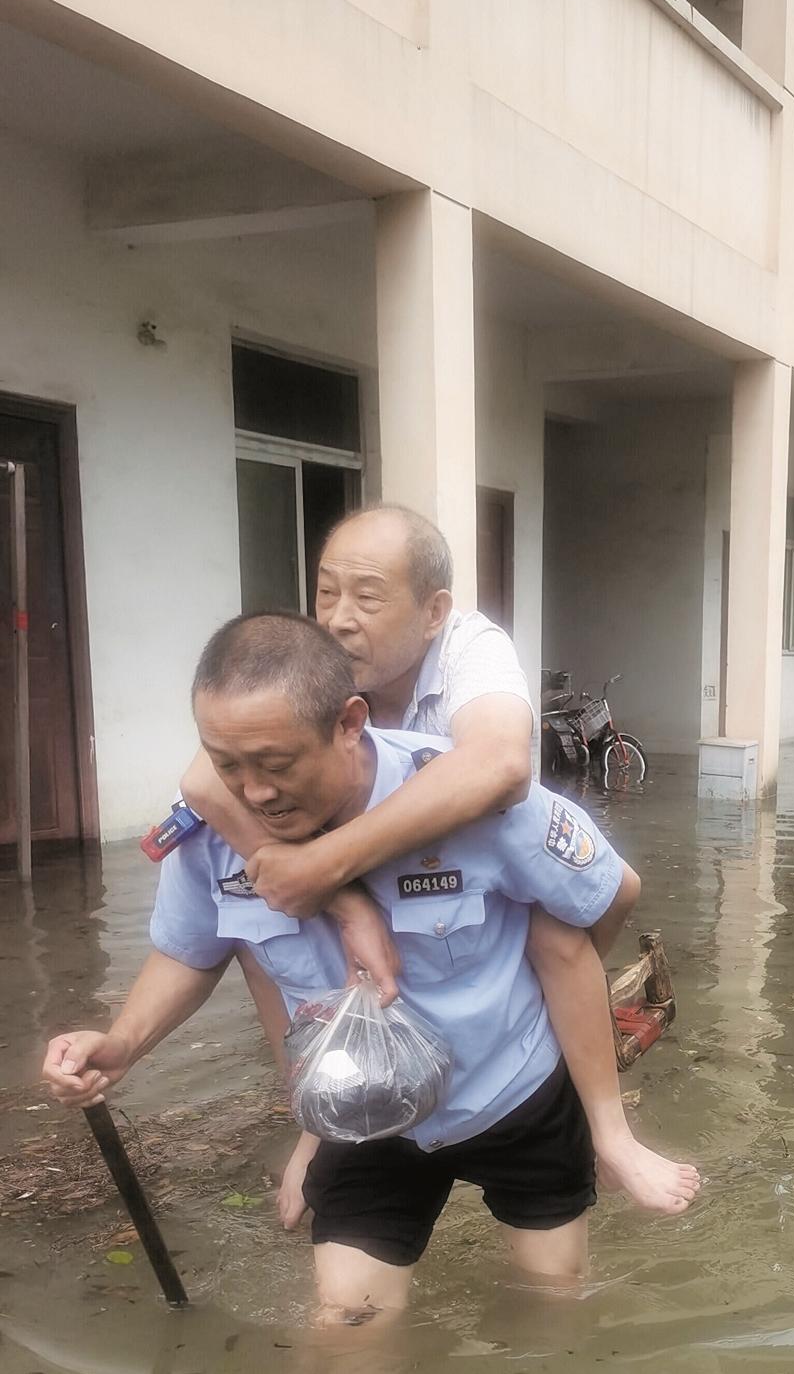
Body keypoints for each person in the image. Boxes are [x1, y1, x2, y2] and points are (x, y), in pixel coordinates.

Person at [44, 614, 646, 1322]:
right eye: (227, 764)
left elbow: (602, 895)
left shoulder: (465, 795)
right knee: (347, 1325)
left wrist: (553, 1026)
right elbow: (189, 952)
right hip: (366, 1119)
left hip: (512, 1096)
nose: (255, 792)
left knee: (553, 1305)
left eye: (275, 764)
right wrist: (121, 1044)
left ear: (349, 722)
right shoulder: (211, 834)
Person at [180, 503, 698, 1220]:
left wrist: (323, 865)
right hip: (371, 872)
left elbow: (499, 766)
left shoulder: (469, 650)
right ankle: (314, 1123)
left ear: (433, 612)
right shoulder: (316, 668)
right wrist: (335, 895)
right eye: (326, 592)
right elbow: (205, 781)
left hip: (475, 855)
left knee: (566, 926)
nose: (338, 617)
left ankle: (600, 1118)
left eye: (366, 596)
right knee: (267, 937)